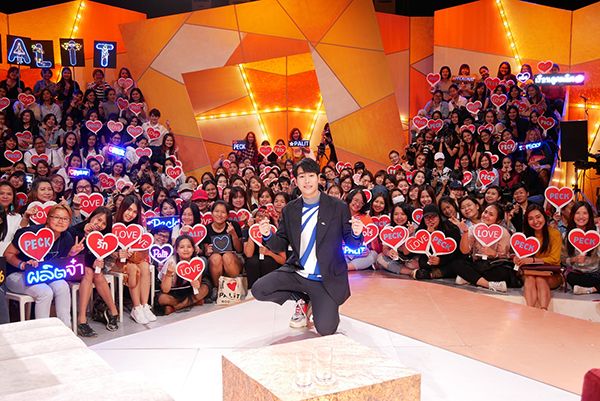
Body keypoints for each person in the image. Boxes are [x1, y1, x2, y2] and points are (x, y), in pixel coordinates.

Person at [253, 158, 365, 336]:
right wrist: (267, 235)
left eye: (311, 176)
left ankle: (315, 301)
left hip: (324, 279)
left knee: (326, 329)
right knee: (259, 289)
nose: (307, 181)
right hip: (297, 273)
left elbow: (352, 243)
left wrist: (357, 234)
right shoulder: (290, 210)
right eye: (302, 176)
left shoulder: (338, 207)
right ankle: (302, 298)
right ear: (296, 181)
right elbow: (280, 243)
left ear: (319, 178)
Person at [4, 204, 84, 327]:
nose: (60, 221)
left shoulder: (66, 237)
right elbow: (8, 254)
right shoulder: (30, 233)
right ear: (48, 218)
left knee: (63, 286)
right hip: (16, 274)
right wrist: (23, 264)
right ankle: (43, 331)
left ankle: (66, 328)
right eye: (56, 217)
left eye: (65, 219)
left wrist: (71, 254)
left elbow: (59, 263)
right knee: (45, 292)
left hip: (44, 275)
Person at [70, 207, 119, 336]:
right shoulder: (76, 230)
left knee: (96, 273)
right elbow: (70, 250)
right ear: (91, 217)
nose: (100, 225)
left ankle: (113, 312)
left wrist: (98, 263)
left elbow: (95, 258)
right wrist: (84, 233)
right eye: (98, 219)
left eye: (104, 223)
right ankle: (82, 319)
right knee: (89, 271)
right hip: (71, 266)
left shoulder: (102, 237)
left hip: (89, 269)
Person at [455, 204, 521, 292]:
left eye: (491, 214)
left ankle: (470, 278)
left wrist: (494, 253)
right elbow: (464, 251)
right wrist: (465, 232)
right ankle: (489, 284)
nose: (486, 215)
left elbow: (505, 257)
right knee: (457, 263)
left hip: (494, 266)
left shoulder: (504, 232)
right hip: (477, 264)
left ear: (498, 220)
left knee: (504, 273)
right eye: (485, 212)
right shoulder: (474, 229)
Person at [513, 204, 562, 310]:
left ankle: (543, 311)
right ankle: (531, 311)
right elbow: (520, 256)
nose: (535, 221)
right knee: (530, 278)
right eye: (530, 219)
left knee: (540, 278)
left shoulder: (554, 234)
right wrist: (517, 259)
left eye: (538, 217)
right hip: (529, 273)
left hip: (551, 273)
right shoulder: (525, 235)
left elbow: (555, 259)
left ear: (544, 216)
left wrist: (533, 260)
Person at [157, 235, 211, 314]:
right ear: (177, 250)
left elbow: (198, 285)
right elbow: (165, 290)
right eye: (182, 247)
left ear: (193, 249)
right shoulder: (171, 262)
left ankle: (179, 306)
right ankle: (191, 303)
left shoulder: (196, 261)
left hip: (188, 290)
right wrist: (168, 274)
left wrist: (196, 284)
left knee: (205, 288)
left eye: (189, 247)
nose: (186, 250)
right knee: (162, 298)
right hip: (173, 291)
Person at [563, 201, 600, 295]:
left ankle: (590, 290)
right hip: (578, 275)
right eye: (577, 213)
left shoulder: (596, 233)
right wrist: (574, 259)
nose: (581, 217)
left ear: (590, 215)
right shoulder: (567, 235)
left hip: (596, 273)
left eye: (585, 213)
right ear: (573, 215)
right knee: (570, 277)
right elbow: (563, 259)